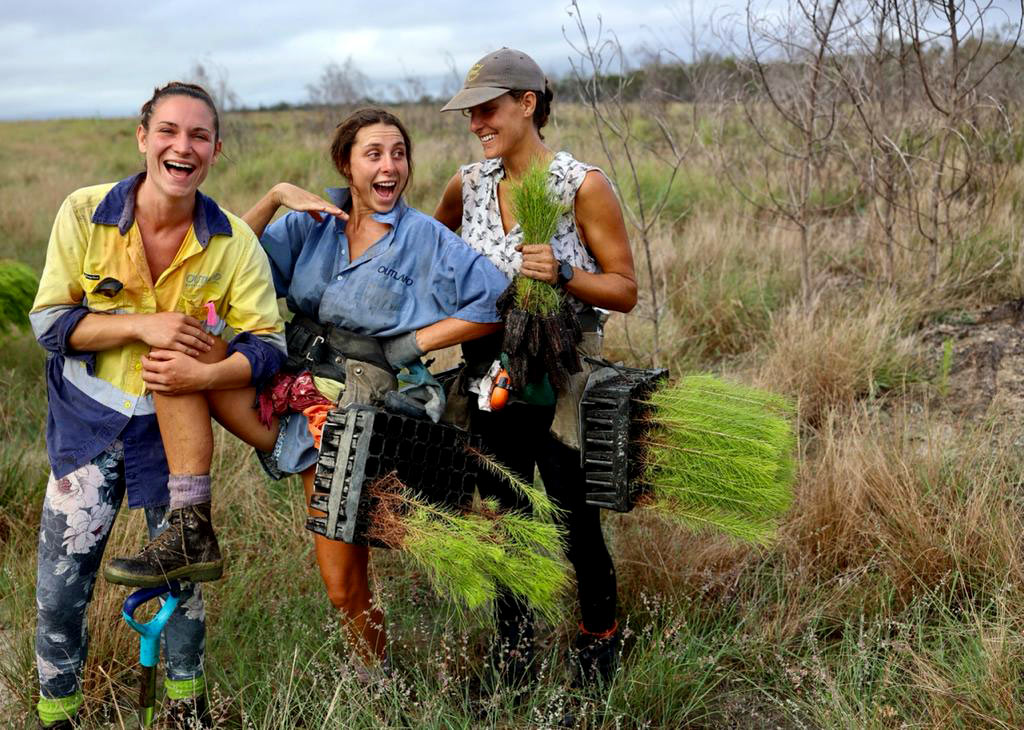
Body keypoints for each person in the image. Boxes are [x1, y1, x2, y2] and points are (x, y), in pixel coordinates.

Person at [204, 107, 508, 671]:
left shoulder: (425, 240)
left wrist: (412, 343)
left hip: (358, 406)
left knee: (342, 579)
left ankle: (375, 678)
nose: (390, 166)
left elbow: (492, 302)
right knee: (196, 371)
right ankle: (186, 519)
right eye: (374, 154)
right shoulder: (310, 222)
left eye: (399, 153)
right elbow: (223, 270)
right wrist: (274, 199)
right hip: (291, 386)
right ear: (346, 164)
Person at [29, 82, 286, 728]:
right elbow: (51, 325)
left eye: (199, 135)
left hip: (173, 438)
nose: (183, 146)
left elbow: (268, 346)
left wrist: (209, 369)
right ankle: (57, 712)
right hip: (85, 431)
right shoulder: (84, 213)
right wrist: (142, 326)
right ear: (142, 138)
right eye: (168, 131)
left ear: (217, 150)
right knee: (61, 589)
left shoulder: (231, 241)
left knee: (181, 586)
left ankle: (186, 710)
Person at [434, 48, 638, 687]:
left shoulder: (581, 184)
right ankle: (513, 651)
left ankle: (599, 642)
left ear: (528, 103)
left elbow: (625, 289)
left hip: (563, 379)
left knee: (576, 519)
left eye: (488, 108)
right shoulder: (466, 186)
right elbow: (430, 262)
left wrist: (568, 274)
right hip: (488, 380)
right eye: (471, 113)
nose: (476, 123)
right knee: (502, 518)